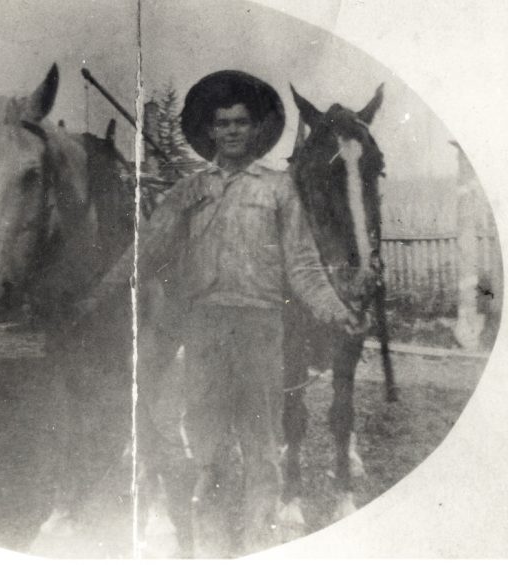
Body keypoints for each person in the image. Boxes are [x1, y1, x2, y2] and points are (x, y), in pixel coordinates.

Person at [81, 70, 363, 557]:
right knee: (208, 454)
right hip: (206, 331)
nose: (232, 130)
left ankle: (260, 543)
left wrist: (335, 309)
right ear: (210, 132)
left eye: (241, 122)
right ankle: (209, 549)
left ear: (255, 131)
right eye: (223, 123)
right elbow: (144, 252)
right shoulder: (189, 192)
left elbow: (303, 264)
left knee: (261, 452)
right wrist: (97, 296)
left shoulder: (279, 190)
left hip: (259, 330)